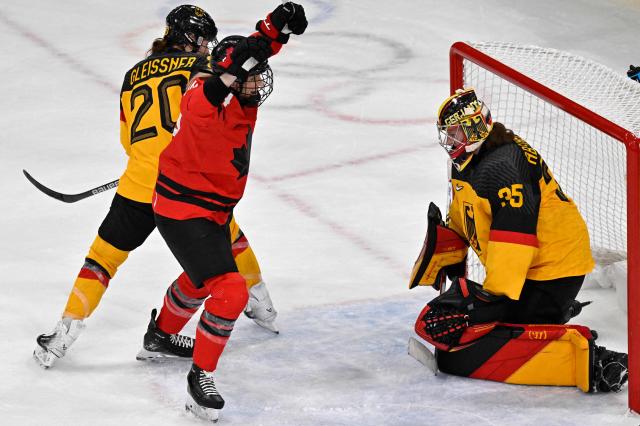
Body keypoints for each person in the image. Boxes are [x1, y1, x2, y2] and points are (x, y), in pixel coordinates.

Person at [33, 4, 279, 370]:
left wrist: (144, 163)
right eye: (204, 41)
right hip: (182, 185)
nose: (207, 47)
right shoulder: (203, 67)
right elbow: (208, 109)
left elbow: (128, 140)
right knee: (227, 233)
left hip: (137, 183)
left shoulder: (133, 75)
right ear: (192, 39)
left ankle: (62, 334)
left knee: (102, 258)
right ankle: (260, 304)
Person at [409, 88, 629, 393]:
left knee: (470, 350)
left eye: (457, 132)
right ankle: (546, 316)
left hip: (554, 270)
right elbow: (467, 213)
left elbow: (515, 238)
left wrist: (492, 297)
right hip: (530, 270)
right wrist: (450, 250)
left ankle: (596, 363)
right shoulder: (473, 161)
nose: (451, 140)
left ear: (474, 128)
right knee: (462, 336)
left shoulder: (502, 167)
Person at [148, 3, 307, 420]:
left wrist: (277, 30)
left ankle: (160, 335)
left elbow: (250, 55)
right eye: (250, 78)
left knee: (200, 280)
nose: (258, 85)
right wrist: (241, 64)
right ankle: (200, 378)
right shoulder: (203, 100)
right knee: (230, 290)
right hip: (184, 210)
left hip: (212, 210)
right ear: (231, 79)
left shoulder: (237, 95)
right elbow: (213, 89)